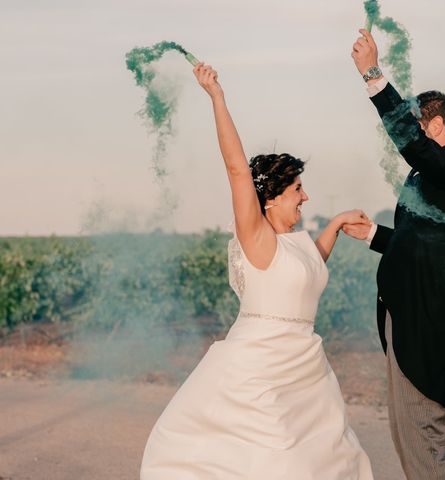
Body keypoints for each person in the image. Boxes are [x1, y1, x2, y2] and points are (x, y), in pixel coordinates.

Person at [140, 63, 375, 479]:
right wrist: (217, 97)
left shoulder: (298, 245)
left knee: (321, 459)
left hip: (304, 368)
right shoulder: (256, 238)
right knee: (277, 461)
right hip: (259, 366)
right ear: (272, 199)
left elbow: (307, 272)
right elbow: (235, 168)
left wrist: (335, 226)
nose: (306, 196)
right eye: (297, 189)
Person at [345, 29, 445, 480]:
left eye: (417, 126)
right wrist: (374, 234)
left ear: (433, 126)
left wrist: (373, 75)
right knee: (407, 436)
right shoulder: (437, 177)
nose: (411, 137)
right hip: (410, 318)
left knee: (422, 440)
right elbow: (426, 250)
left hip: (429, 325)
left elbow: (412, 145)